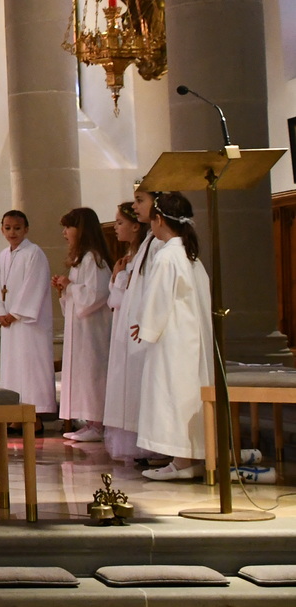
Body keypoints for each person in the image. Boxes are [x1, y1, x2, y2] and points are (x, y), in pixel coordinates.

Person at [132, 191, 214, 480]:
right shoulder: (189, 255)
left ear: (158, 220)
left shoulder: (167, 256)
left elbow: (158, 299)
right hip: (188, 337)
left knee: (173, 395)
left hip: (173, 340)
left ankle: (181, 461)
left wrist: (145, 326)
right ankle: (187, 456)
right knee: (185, 396)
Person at [0, 210, 56, 422]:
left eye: (17, 228)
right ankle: (16, 415)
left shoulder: (34, 253)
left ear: (26, 229)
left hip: (28, 324)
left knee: (30, 368)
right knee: (13, 368)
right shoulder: (3, 255)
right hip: (9, 324)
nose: (12, 232)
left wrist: (15, 313)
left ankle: (35, 417)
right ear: (2, 229)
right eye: (8, 228)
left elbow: (34, 285)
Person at [103, 197, 159, 462]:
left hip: (135, 325)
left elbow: (132, 293)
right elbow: (117, 298)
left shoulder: (150, 249)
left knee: (135, 383)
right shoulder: (134, 254)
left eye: (120, 222)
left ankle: (145, 445)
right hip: (124, 323)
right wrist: (118, 278)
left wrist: (119, 278)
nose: (115, 227)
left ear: (136, 226)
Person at [52, 207, 112, 443]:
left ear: (82, 229)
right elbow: (77, 300)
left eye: (69, 227)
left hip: (93, 331)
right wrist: (64, 289)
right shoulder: (80, 261)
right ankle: (90, 422)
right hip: (82, 330)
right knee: (85, 375)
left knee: (93, 374)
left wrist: (70, 286)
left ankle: (98, 424)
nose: (64, 233)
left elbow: (95, 295)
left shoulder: (93, 259)